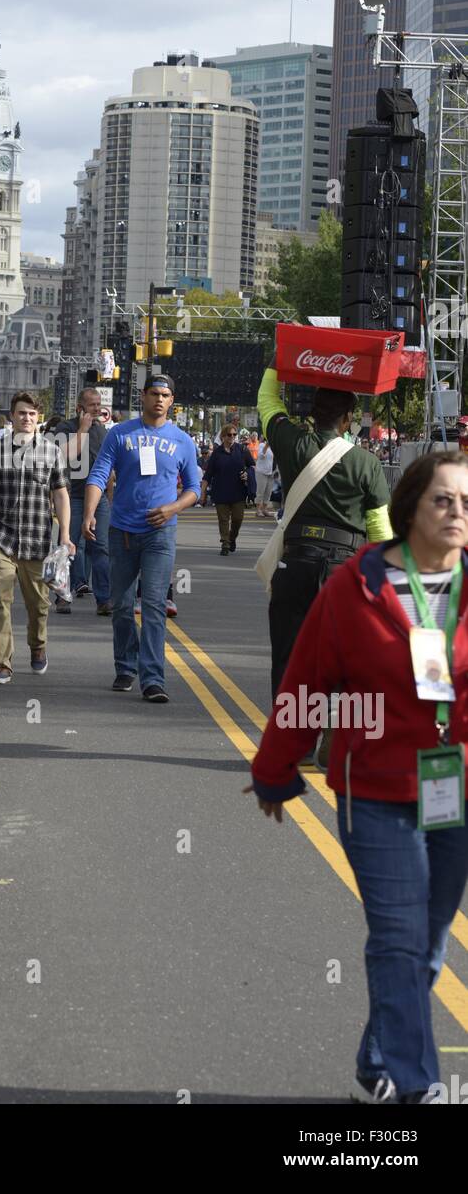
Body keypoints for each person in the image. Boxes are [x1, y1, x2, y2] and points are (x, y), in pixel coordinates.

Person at [248, 453, 468, 1106]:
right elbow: (306, 680)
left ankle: (376, 1063)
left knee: (425, 944)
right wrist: (273, 771)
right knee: (399, 937)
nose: (457, 512)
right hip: (372, 788)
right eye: (442, 500)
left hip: (452, 789)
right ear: (407, 509)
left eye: (465, 502)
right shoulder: (355, 586)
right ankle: (414, 1085)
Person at [257, 357, 394, 702]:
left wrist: (278, 360)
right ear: (348, 419)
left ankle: (292, 740)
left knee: (288, 657)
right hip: (343, 571)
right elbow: (379, 527)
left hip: (295, 563)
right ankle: (334, 734)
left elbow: (267, 401)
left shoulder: (292, 444)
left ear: (312, 415)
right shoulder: (367, 462)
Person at [83, 374, 199, 703]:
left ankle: (152, 677)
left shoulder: (182, 441)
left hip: (160, 533)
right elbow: (99, 473)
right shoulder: (120, 434)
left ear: (172, 400)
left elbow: (194, 488)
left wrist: (173, 508)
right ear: (143, 397)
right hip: (122, 531)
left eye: (165, 395)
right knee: (121, 606)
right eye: (153, 394)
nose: (159, 400)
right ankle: (125, 666)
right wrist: (90, 512)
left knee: (153, 605)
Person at [0, 392, 72, 684]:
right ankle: (3, 662)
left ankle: (38, 646)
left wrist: (64, 534)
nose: (26, 418)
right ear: (12, 416)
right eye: (21, 413)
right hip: (1, 537)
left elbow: (61, 495)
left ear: (38, 417)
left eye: (31, 414)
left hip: (37, 540)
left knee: (38, 605)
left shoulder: (52, 452)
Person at [54, 387, 112, 616]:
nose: (97, 409)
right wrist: (83, 429)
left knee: (101, 548)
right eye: (92, 405)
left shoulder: (103, 431)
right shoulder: (65, 428)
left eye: (99, 404)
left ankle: (104, 599)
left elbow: (108, 465)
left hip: (98, 499)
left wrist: (109, 495)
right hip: (73, 497)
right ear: (80, 408)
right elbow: (63, 456)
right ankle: (61, 596)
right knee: (67, 546)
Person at [200, 423, 256, 556]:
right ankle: (225, 543)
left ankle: (232, 538)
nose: (232, 437)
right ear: (223, 436)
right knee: (223, 520)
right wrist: (202, 494)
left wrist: (247, 474)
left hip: (238, 492)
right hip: (220, 492)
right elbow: (207, 475)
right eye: (229, 435)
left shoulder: (242, 450)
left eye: (234, 435)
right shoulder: (216, 454)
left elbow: (252, 466)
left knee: (238, 519)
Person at [255, 438, 276, 518]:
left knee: (268, 492)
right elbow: (260, 455)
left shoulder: (273, 447)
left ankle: (264, 509)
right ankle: (258, 510)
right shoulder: (261, 445)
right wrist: (266, 446)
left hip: (271, 472)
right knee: (260, 492)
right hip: (262, 472)